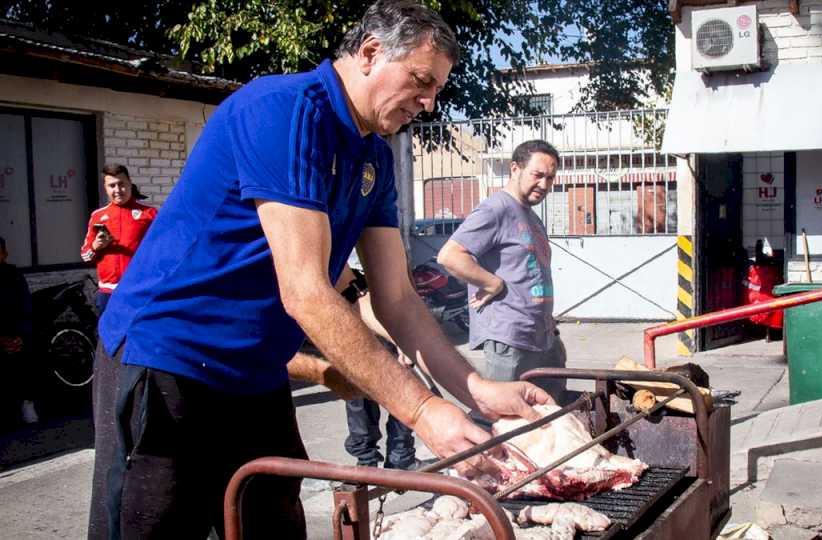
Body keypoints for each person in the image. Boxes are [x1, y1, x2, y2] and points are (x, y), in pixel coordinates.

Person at [87, 2, 552, 539]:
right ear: (372, 52)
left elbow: (395, 298)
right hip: (166, 357)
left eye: (436, 92)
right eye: (421, 82)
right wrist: (423, 411)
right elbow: (306, 291)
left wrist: (475, 390)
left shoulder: (374, 157)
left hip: (254, 374)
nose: (427, 104)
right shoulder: (283, 111)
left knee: (275, 527)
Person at [438, 140, 568, 405]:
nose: (544, 184)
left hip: (543, 337)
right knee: (504, 422)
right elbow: (450, 256)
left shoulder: (531, 216)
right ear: (514, 169)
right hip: (510, 341)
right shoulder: (495, 209)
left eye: (551, 178)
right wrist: (492, 283)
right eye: (538, 175)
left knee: (549, 421)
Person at [336, 266, 420, 470]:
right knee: (361, 392)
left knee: (403, 386)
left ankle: (400, 456)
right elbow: (350, 288)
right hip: (356, 312)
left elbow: (401, 271)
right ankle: (367, 460)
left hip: (392, 307)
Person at [80, 164, 157, 315]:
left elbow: (162, 251)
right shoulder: (98, 216)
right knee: (109, 339)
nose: (117, 190)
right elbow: (85, 256)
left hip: (139, 291)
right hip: (108, 294)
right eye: (112, 185)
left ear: (129, 182)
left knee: (138, 338)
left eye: (121, 184)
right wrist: (96, 246)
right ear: (105, 187)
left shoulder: (150, 214)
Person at [0, 236, 39, 427]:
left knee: (28, 356)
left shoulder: (14, 275)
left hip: (16, 331)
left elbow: (25, 306)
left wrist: (20, 336)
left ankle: (27, 403)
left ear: (4, 254)